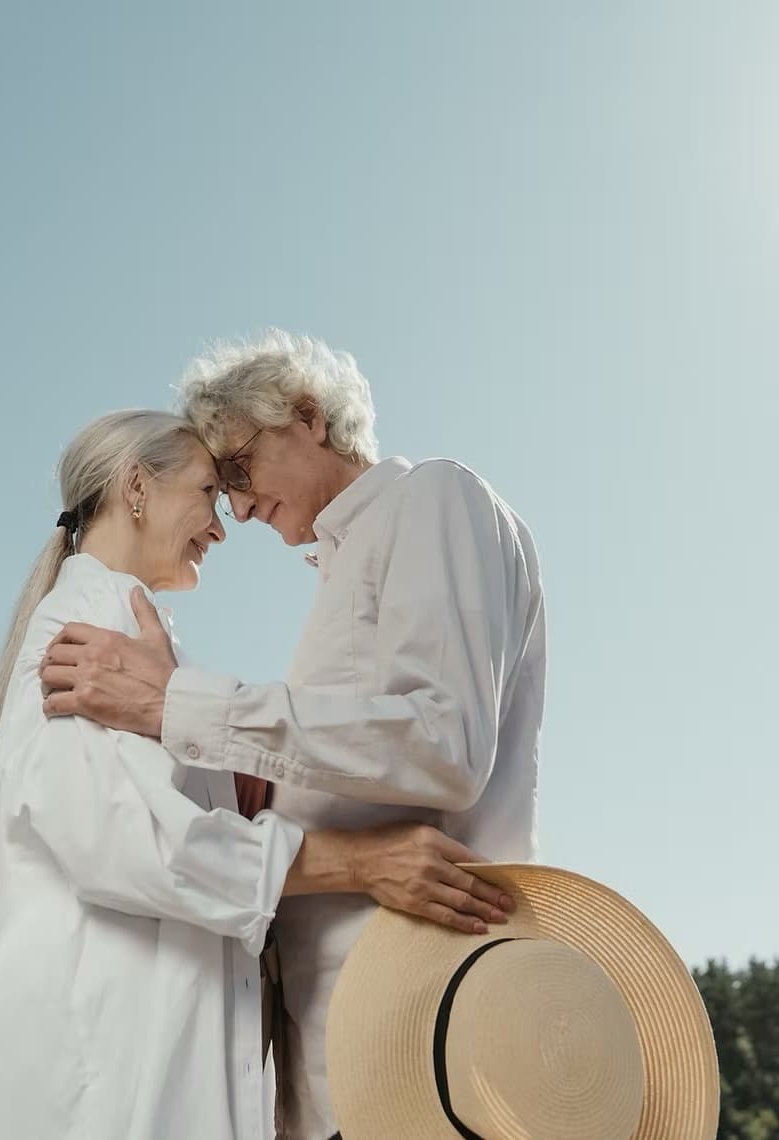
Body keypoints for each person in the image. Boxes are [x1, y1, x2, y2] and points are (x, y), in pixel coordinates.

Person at [39, 333, 547, 1140]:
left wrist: (181, 706)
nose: (234, 509)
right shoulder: (344, 573)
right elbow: (352, 762)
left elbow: (442, 742)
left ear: (307, 417)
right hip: (341, 1059)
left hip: (425, 1033)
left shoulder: (434, 499)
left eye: (236, 471)